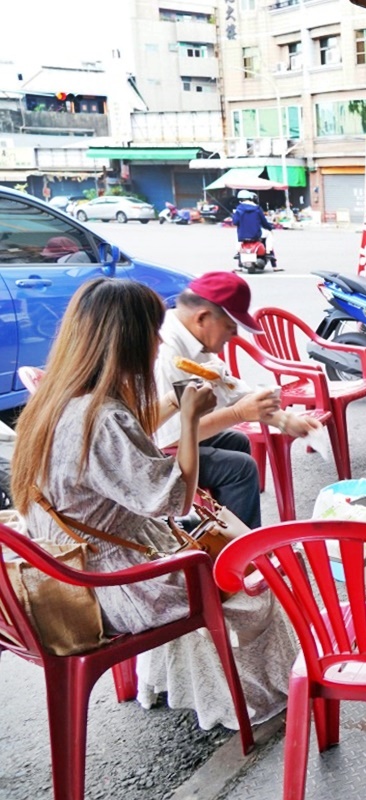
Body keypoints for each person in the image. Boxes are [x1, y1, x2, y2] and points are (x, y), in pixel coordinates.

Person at [10, 277, 298, 730]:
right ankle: (262, 700)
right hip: (116, 586)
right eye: (151, 331)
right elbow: (173, 498)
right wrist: (188, 419)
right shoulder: (102, 417)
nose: (159, 340)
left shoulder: (53, 403)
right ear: (128, 339)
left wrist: (175, 405)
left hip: (66, 570)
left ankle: (174, 683)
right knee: (256, 589)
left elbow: (128, 456)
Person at [153, 272, 322, 528]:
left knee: (237, 441)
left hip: (174, 436)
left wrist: (286, 420)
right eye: (230, 329)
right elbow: (172, 436)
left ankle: (222, 532)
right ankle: (243, 556)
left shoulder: (194, 340)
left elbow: (232, 390)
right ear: (203, 318)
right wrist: (237, 414)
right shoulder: (168, 351)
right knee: (240, 468)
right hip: (151, 451)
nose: (230, 339)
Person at [231, 189, 276, 268]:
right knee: (269, 234)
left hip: (242, 235)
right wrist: (270, 227)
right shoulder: (257, 209)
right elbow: (264, 222)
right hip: (256, 234)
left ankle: (238, 253)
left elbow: (235, 222)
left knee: (237, 236)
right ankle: (269, 252)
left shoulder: (238, 209)